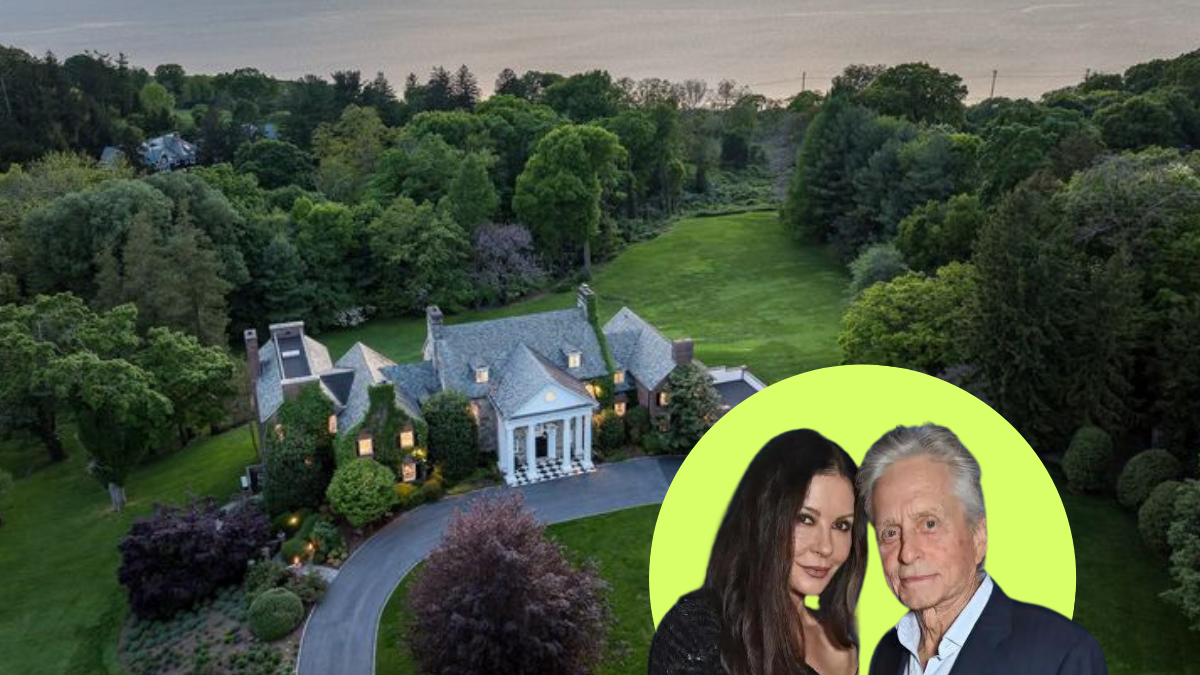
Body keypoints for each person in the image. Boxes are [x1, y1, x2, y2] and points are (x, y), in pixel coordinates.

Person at [857, 424, 1107, 675]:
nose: (907, 553)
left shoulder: (1062, 657)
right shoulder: (888, 653)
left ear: (978, 536)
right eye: (890, 533)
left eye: (929, 524)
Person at [649, 429, 868, 675]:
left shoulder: (842, 644)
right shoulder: (695, 633)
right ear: (763, 519)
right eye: (805, 519)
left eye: (841, 525)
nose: (826, 547)